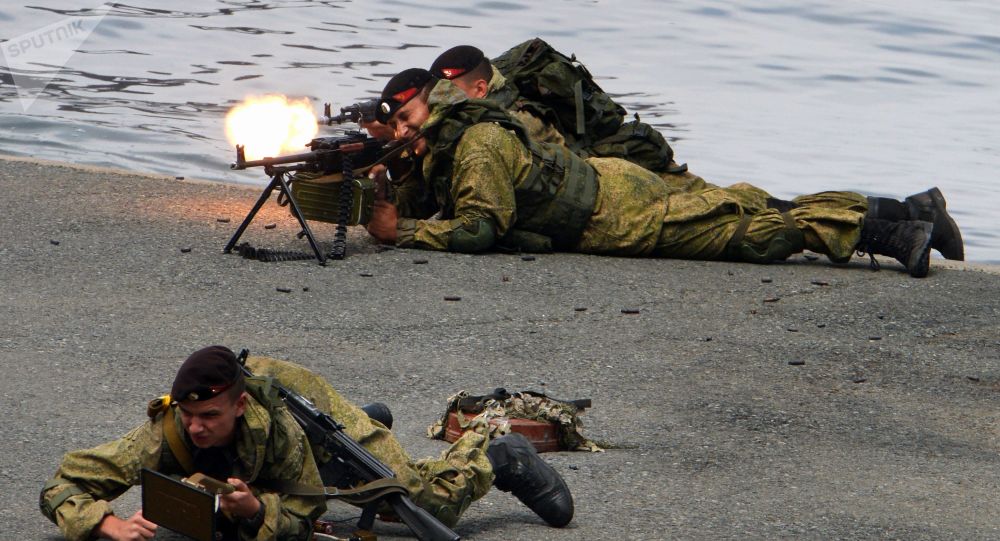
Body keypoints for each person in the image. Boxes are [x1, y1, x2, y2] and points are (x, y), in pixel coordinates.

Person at [365, 68, 963, 277]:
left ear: (439, 98)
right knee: (746, 200)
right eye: (397, 125)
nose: (407, 130)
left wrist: (405, 234)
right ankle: (910, 210)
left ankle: (896, 235)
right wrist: (384, 173)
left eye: (410, 115)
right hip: (614, 185)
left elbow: (478, 229)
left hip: (620, 215)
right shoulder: (454, 139)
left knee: (748, 234)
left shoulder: (476, 142)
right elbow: (442, 202)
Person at [40, 346, 573, 541]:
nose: (196, 428)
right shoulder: (167, 430)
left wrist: (255, 512)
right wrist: (105, 524)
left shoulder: (279, 427)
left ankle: (499, 455)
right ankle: (369, 419)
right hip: (276, 444)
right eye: (189, 417)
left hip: (304, 406)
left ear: (240, 406)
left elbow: (302, 512)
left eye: (209, 417)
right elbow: (64, 485)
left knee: (422, 501)